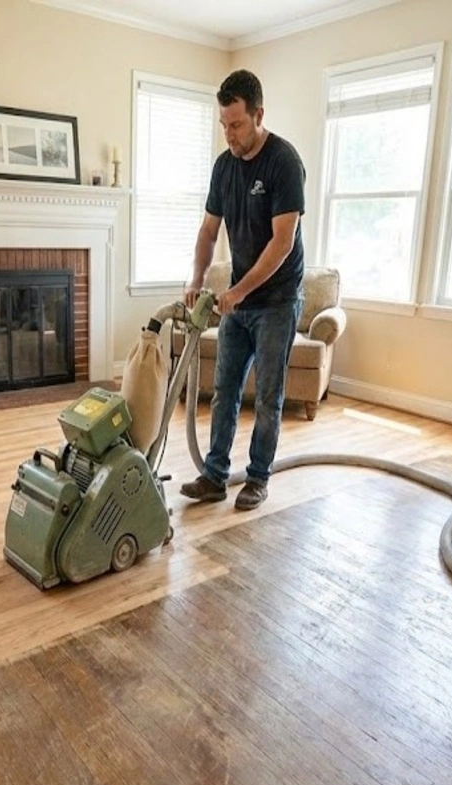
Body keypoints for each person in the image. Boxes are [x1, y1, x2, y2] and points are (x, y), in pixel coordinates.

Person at [180, 69, 306, 511]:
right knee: (224, 391)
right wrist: (197, 279)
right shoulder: (224, 166)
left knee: (268, 398)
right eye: (224, 126)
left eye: (236, 125)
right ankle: (215, 475)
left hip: (276, 301)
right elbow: (209, 230)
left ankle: (257, 478)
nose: (229, 135)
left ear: (258, 115)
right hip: (239, 300)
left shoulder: (283, 162)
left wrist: (240, 290)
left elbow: (282, 241)